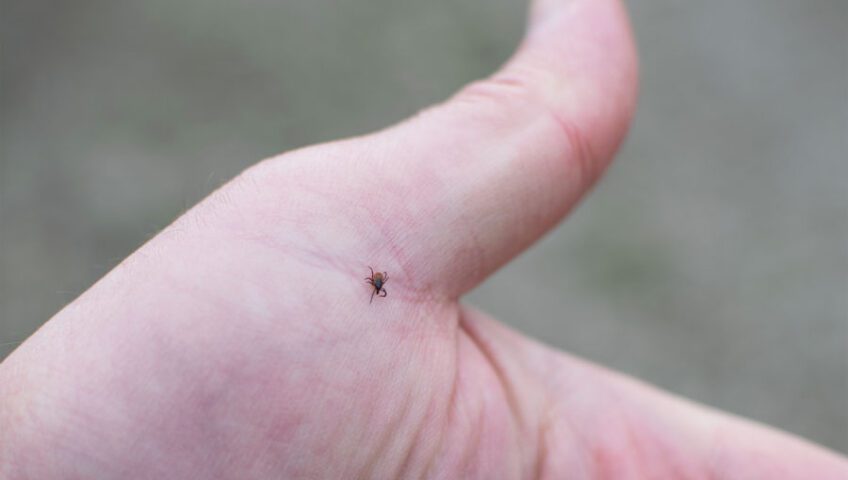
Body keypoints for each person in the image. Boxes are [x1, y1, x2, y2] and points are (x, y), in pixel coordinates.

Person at [1, 0, 845, 477]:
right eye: (374, 283)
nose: (373, 284)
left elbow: (375, 282)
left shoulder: (372, 277)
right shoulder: (367, 276)